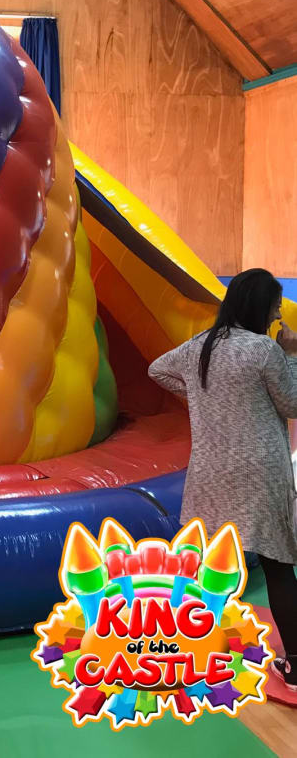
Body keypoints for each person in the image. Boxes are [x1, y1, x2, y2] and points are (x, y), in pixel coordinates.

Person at [148, 268, 297, 691]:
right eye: (274, 308)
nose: (276, 317)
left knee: (205, 562)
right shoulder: (264, 350)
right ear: (260, 306)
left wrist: (202, 397)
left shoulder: (200, 345)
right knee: (277, 564)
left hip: (211, 470)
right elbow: (293, 404)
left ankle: (180, 653)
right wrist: (291, 354)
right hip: (260, 471)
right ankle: (296, 666)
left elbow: (157, 369)